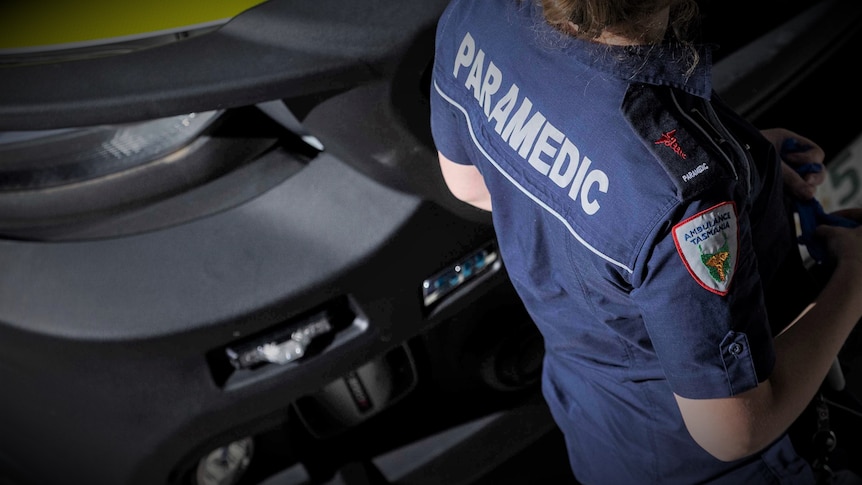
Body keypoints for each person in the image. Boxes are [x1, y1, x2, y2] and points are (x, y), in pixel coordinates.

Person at [428, 0, 862, 483]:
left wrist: (738, 161)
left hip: (600, 424)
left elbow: (468, 182)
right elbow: (733, 429)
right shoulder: (686, 199)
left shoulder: (478, 15)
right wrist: (853, 281)